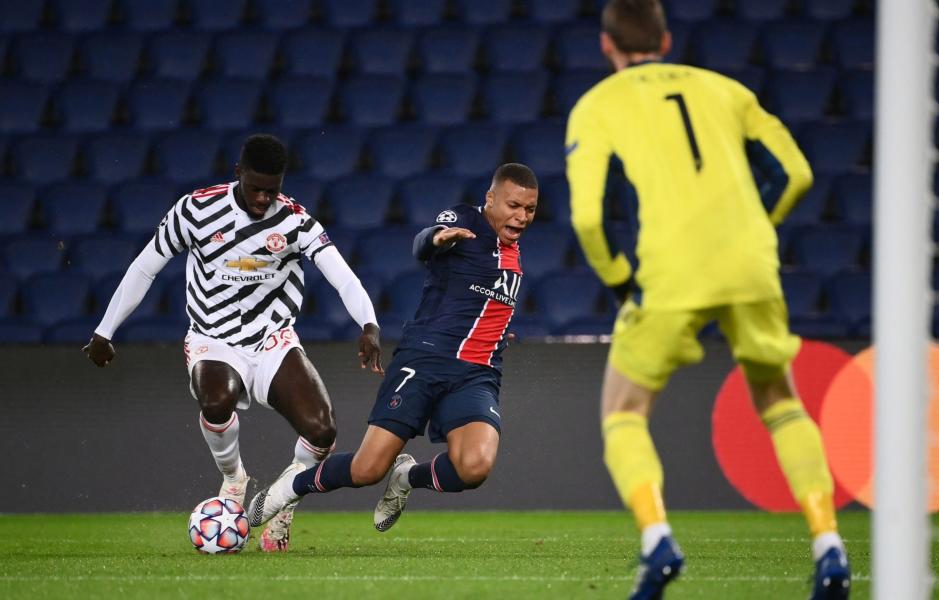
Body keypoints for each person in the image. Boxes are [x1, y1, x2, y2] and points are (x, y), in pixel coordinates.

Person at [564, 1, 851, 598]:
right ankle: (829, 546)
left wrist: (621, 281)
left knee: (624, 410)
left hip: (671, 270)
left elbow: (589, 219)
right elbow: (797, 172)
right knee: (779, 400)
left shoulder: (598, 105)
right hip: (752, 262)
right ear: (665, 39)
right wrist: (756, 230)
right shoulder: (724, 88)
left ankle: (658, 540)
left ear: (606, 45)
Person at [83, 134, 383, 553]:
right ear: (237, 173)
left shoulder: (294, 220)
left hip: (271, 338)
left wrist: (368, 323)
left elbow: (343, 276)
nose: (263, 198)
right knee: (216, 400)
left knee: (323, 431)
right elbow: (145, 267)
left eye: (272, 190)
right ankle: (234, 479)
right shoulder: (196, 210)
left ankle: (281, 504)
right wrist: (104, 330)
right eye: (255, 187)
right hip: (213, 337)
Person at [246, 163, 538, 533]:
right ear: (491, 199)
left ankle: (407, 478)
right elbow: (423, 242)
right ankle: (291, 486)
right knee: (367, 470)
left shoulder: (513, 253)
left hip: (476, 373)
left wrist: (498, 330)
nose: (522, 216)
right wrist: (436, 239)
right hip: (425, 359)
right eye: (514, 206)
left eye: (529, 209)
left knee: (475, 467)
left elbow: (479, 299)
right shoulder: (464, 220)